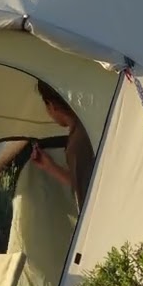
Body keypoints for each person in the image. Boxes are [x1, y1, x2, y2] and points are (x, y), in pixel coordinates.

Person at [29, 80, 96, 209]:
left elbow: (87, 199)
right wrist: (50, 167)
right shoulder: (87, 127)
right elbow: (81, 183)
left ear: (51, 105)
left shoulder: (77, 144)